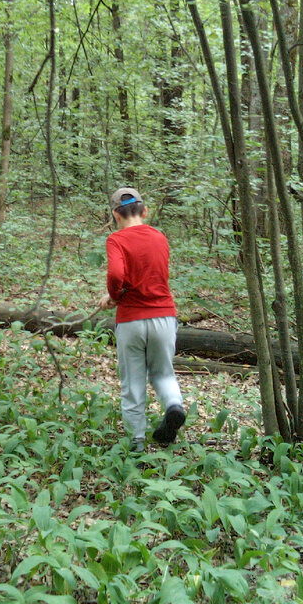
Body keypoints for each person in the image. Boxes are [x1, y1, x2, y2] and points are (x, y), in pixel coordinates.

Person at [97, 186, 185, 453]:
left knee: (133, 382)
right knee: (162, 372)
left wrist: (113, 295)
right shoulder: (160, 237)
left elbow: (115, 275)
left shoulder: (116, 240)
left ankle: (136, 444)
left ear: (115, 214)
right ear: (145, 211)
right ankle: (173, 406)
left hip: (132, 320)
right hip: (164, 317)